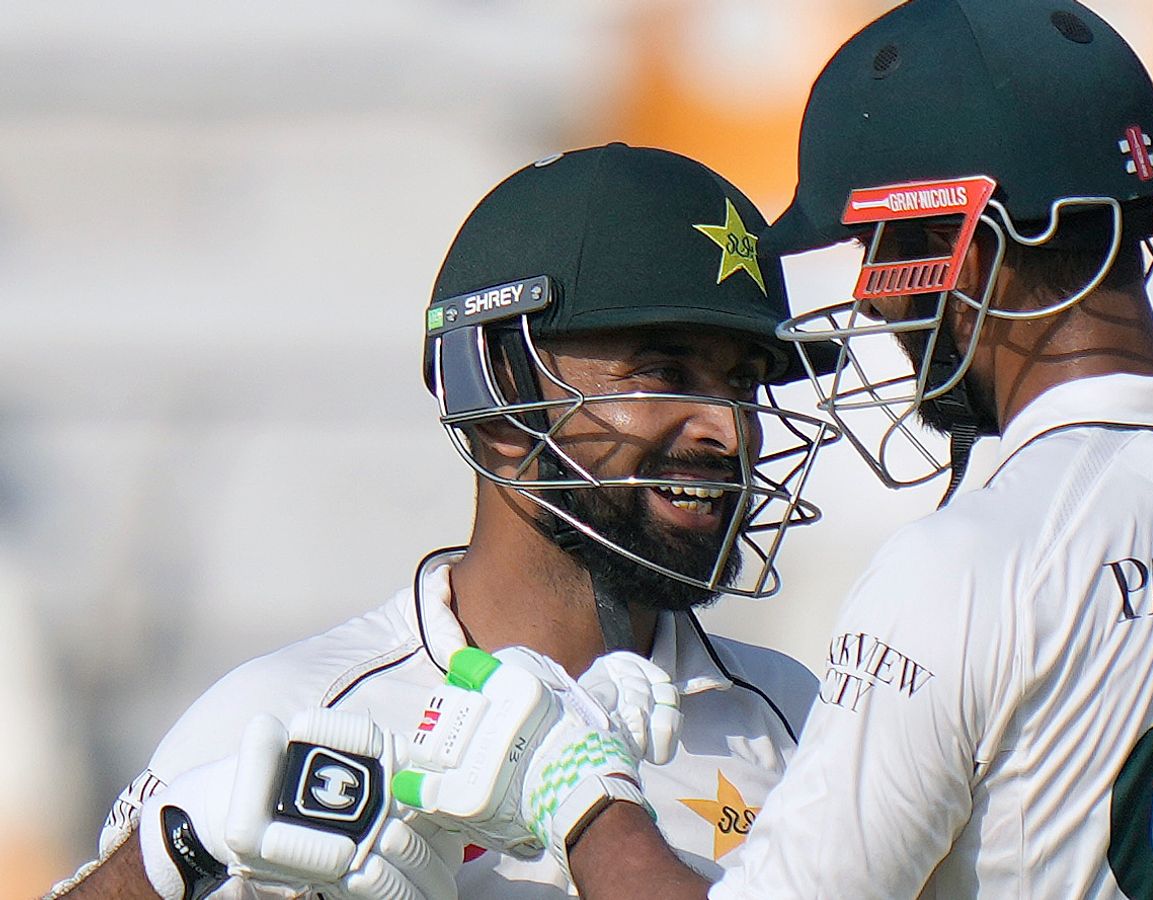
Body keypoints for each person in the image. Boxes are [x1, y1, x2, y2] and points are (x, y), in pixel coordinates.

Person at [413, 2, 1153, 897]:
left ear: (967, 251)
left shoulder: (971, 568)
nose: (872, 305)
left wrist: (584, 796)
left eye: (879, 254)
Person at [52, 142, 836, 899]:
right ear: (493, 387)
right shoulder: (292, 713)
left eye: (742, 383)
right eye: (666, 372)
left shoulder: (798, 718)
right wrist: (168, 856)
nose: (729, 430)